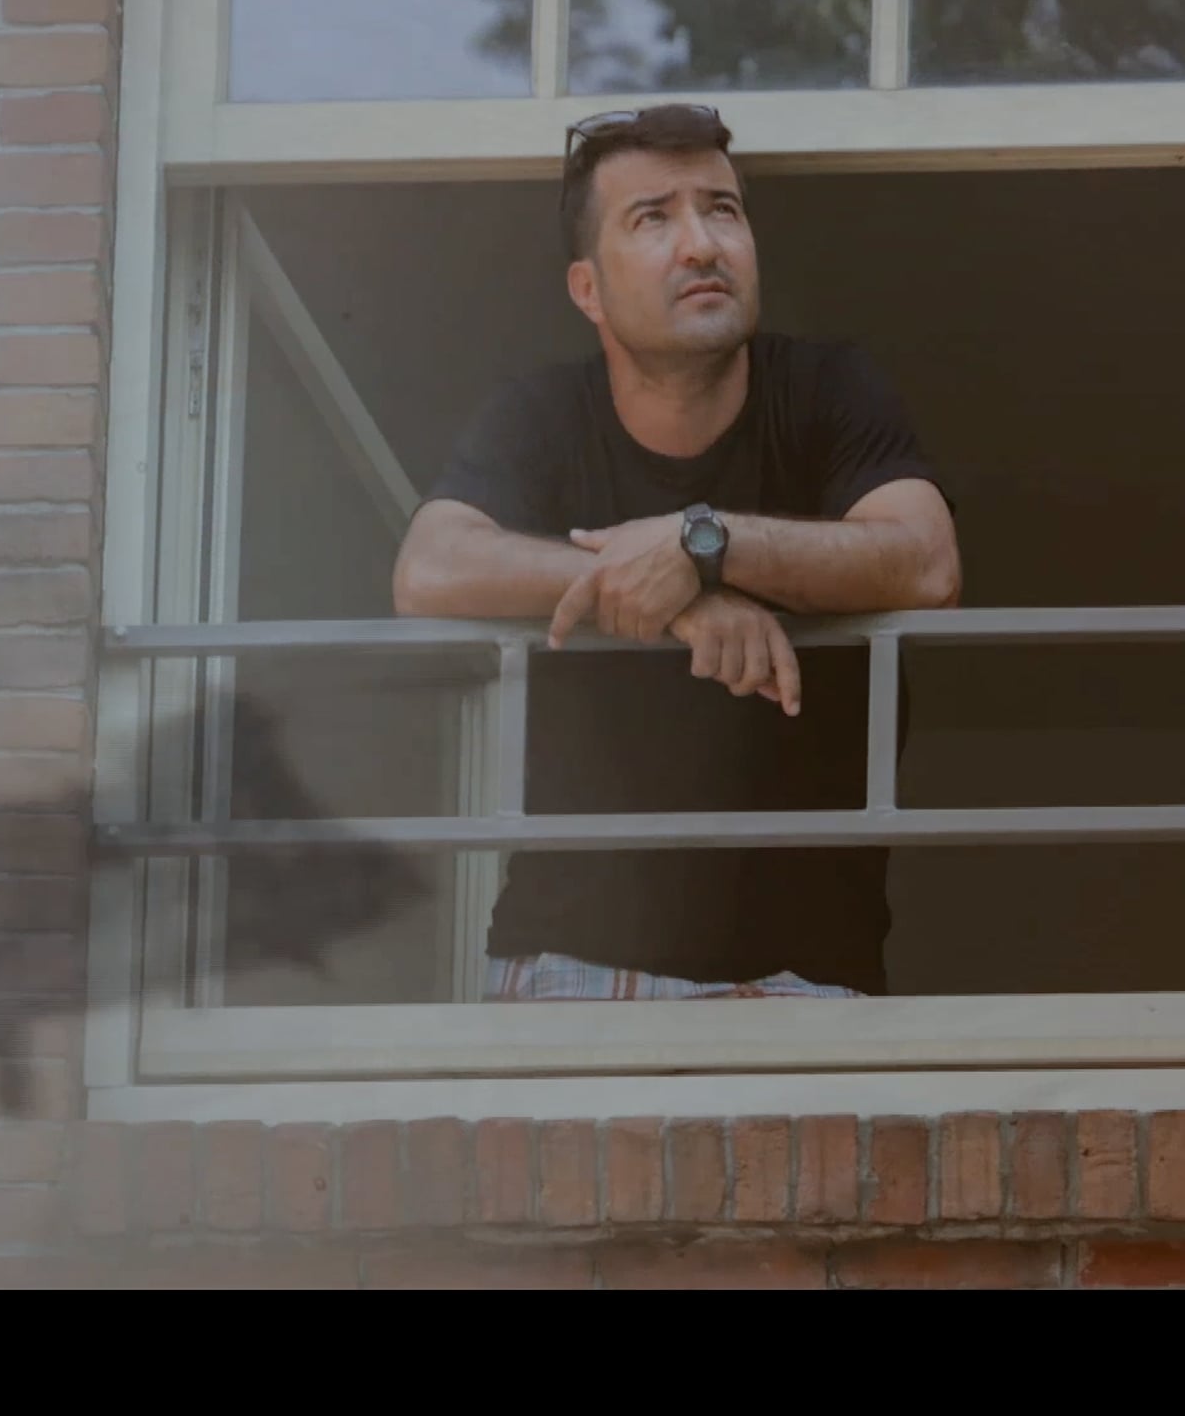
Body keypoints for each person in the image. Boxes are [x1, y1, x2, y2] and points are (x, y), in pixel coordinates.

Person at [390, 103, 961, 1001]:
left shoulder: (828, 390)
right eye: (653, 218)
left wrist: (705, 541)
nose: (701, 245)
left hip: (812, 980)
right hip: (569, 968)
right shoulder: (543, 414)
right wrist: (674, 595)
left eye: (722, 210)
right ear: (588, 289)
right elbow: (429, 569)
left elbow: (926, 563)